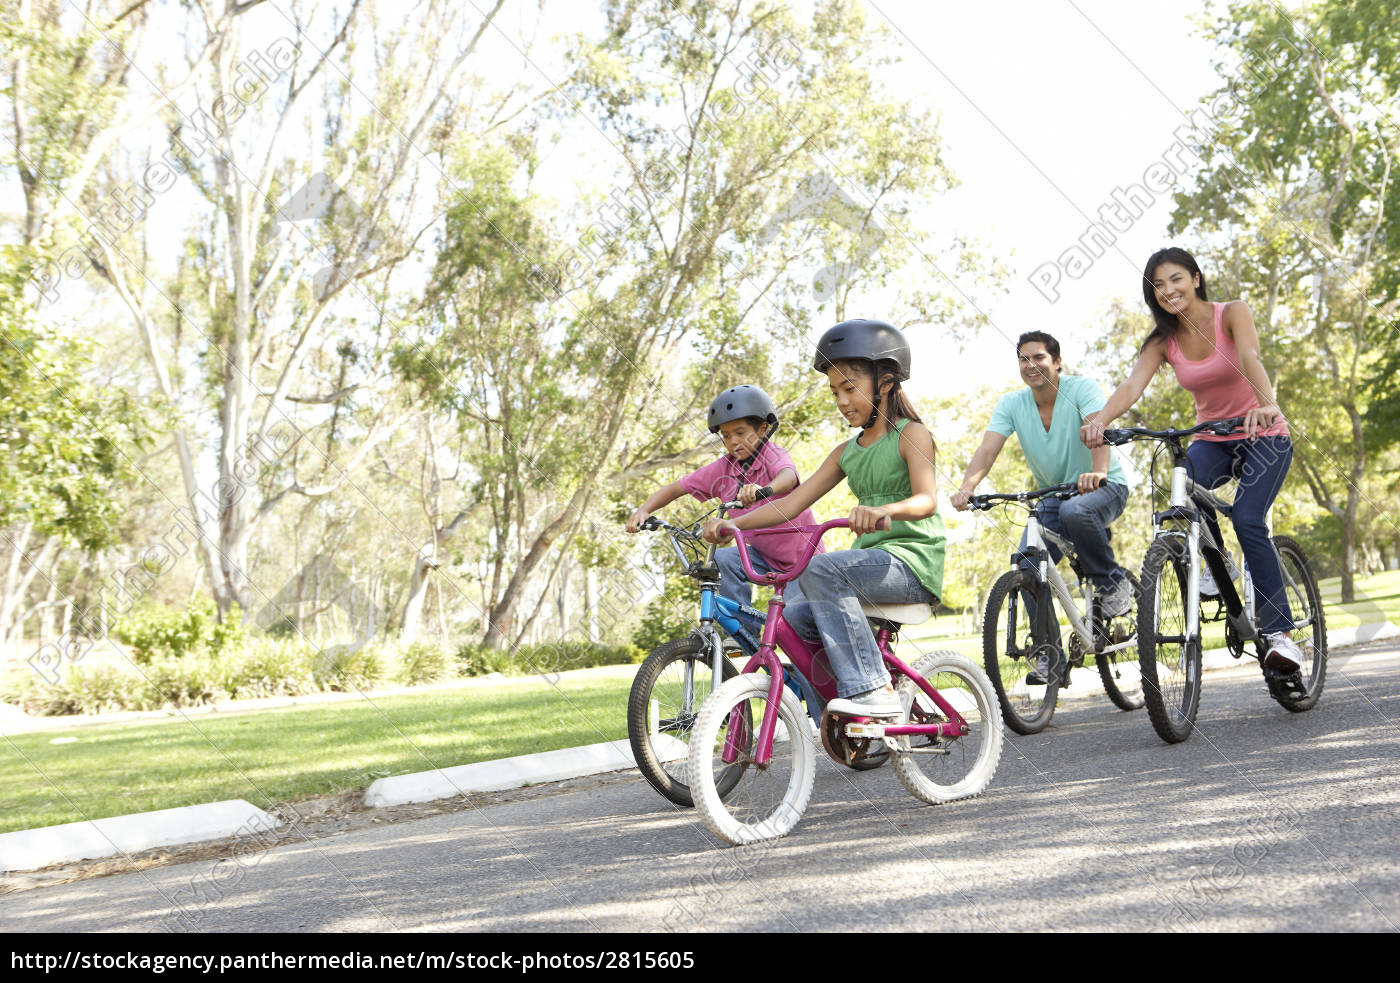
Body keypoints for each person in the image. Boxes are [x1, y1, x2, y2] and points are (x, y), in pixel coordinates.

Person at [702, 319, 944, 718]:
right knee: (793, 619)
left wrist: (883, 510)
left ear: (884, 383)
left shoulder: (910, 434)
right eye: (835, 392)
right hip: (867, 566)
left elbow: (926, 500)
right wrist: (735, 524)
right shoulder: (846, 451)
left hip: (911, 562)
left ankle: (871, 689)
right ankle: (839, 716)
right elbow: (791, 504)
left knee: (820, 570)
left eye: (850, 388)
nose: (842, 401)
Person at [1080, 246, 1302, 674]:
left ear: (1196, 278)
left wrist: (1267, 404)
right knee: (1182, 483)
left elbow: (1251, 357)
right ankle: (1218, 562)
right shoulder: (1163, 341)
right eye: (1158, 285)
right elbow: (1132, 386)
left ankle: (1281, 634)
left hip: (1264, 433)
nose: (1168, 290)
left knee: (1248, 518)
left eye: (1175, 279)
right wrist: (1102, 420)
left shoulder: (1231, 313)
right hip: (1214, 439)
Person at [950, 332, 1135, 682]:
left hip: (1104, 486)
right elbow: (988, 450)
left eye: (1038, 358)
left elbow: (1099, 430)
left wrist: (1097, 472)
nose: (1030, 365)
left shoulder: (1081, 389)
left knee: (1075, 512)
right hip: (1054, 494)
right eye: (1023, 359)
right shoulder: (1012, 405)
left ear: (1057, 361)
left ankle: (1112, 584)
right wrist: (967, 487)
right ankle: (1050, 656)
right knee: (1027, 564)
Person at [625, 385, 820, 625]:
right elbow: (677, 488)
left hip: (804, 560)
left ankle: (807, 662)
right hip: (762, 556)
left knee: (794, 621)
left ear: (763, 428)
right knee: (723, 560)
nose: (733, 441)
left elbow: (788, 476)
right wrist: (644, 509)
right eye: (726, 436)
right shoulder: (724, 468)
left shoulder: (772, 454)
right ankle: (743, 631)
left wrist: (764, 490)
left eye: (740, 432)